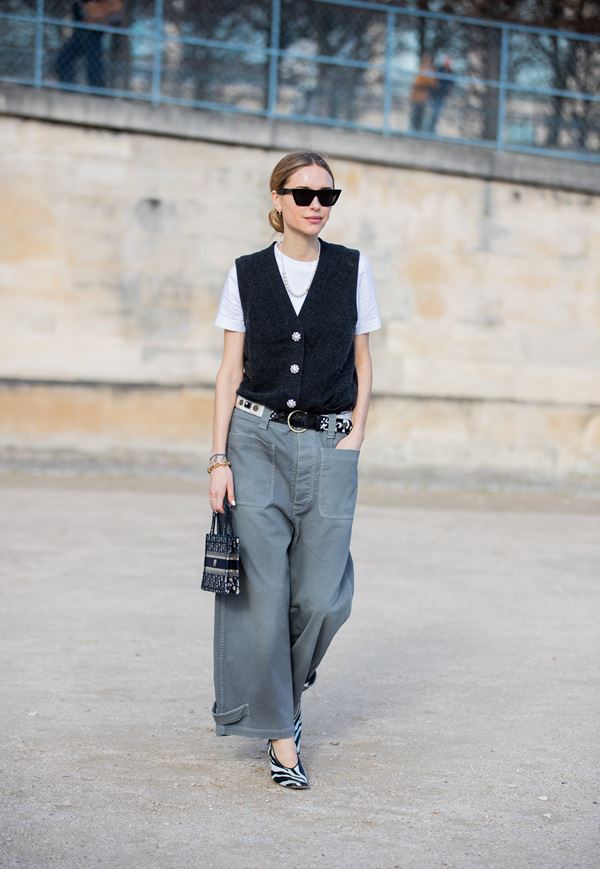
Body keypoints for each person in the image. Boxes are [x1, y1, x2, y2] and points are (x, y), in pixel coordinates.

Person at [209, 150, 382, 789]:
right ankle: (284, 732)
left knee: (322, 594)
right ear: (277, 198)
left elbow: (365, 363)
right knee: (262, 592)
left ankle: (286, 680)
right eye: (305, 194)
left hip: (330, 443)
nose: (317, 206)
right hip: (253, 442)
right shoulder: (246, 273)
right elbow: (229, 371)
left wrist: (356, 436)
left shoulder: (353, 270)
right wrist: (218, 457)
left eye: (328, 197)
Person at [55, 0, 123, 89]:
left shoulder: (113, 4)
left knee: (93, 60)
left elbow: (115, 18)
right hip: (85, 30)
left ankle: (96, 87)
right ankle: (68, 85)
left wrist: (100, 20)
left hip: (93, 32)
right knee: (65, 58)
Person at [426, 55, 454, 133]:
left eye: (449, 61)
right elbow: (434, 82)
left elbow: (451, 85)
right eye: (446, 61)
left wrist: (448, 92)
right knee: (432, 112)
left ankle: (432, 129)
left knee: (437, 113)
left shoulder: (451, 72)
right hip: (435, 95)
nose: (447, 62)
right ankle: (428, 129)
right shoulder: (439, 69)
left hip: (442, 96)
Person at [409, 53, 436, 132]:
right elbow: (418, 82)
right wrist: (425, 82)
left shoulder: (431, 71)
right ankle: (413, 130)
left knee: (421, 115)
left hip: (424, 97)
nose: (427, 62)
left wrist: (426, 82)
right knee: (414, 115)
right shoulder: (421, 69)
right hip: (416, 97)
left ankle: (419, 130)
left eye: (428, 61)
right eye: (425, 60)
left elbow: (433, 83)